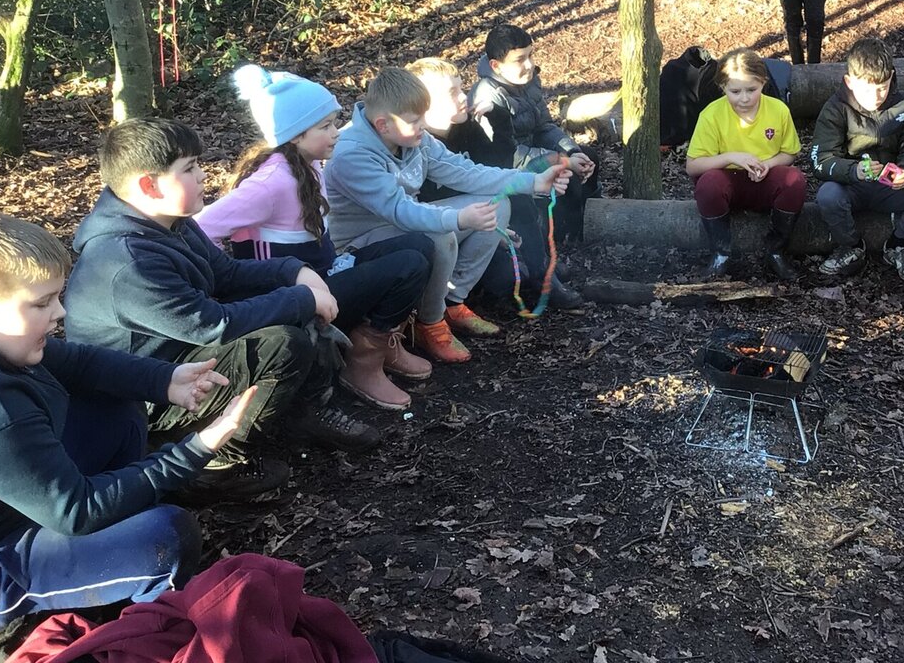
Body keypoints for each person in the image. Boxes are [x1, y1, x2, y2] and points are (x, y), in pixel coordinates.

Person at [0, 207, 254, 637]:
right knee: (165, 538)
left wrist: (165, 380)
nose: (60, 313)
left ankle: (112, 547)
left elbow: (80, 362)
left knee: (117, 409)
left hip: (12, 503)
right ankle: (136, 631)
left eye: (58, 296)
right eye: (42, 303)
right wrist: (194, 451)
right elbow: (76, 511)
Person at [65, 118, 379, 504]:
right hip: (144, 397)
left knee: (284, 306)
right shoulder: (126, 261)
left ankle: (303, 412)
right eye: (189, 168)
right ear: (149, 185)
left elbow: (225, 273)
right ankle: (208, 463)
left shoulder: (170, 222)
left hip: (178, 354)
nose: (203, 175)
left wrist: (295, 270)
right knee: (280, 344)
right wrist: (303, 299)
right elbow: (212, 326)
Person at [195, 65, 434, 411]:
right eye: (325, 126)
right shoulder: (272, 181)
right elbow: (202, 227)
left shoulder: (310, 163)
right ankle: (361, 365)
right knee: (408, 265)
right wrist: (229, 281)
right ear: (293, 135)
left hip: (325, 273)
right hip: (294, 296)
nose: (337, 132)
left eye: (335, 122)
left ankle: (377, 344)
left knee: (418, 244)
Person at [323, 67, 572, 364]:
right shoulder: (353, 154)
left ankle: (453, 301)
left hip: (401, 229)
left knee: (495, 205)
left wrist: (532, 182)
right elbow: (400, 211)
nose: (423, 126)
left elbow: (466, 173)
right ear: (382, 125)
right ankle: (430, 323)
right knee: (440, 234)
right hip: (359, 245)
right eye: (415, 121)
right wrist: (458, 219)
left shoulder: (414, 139)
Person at [406, 57, 584, 311]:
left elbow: (492, 168)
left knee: (515, 208)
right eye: (452, 92)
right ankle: (440, 308)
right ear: (422, 103)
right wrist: (480, 224)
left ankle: (539, 271)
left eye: (461, 88)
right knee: (505, 278)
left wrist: (498, 120)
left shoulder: (462, 127)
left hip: (471, 224)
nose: (463, 97)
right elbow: (412, 210)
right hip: (436, 233)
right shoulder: (412, 143)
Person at [807, 37, 904, 282]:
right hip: (852, 186)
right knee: (827, 194)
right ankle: (851, 247)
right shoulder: (835, 108)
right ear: (850, 82)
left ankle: (898, 247)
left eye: (882, 87)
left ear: (891, 77)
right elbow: (821, 159)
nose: (876, 96)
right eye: (867, 89)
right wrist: (853, 170)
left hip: (892, 187)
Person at [471, 24, 600, 246]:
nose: (529, 65)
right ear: (496, 66)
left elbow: (544, 126)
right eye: (519, 59)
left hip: (534, 152)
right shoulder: (488, 97)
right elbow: (507, 156)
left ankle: (588, 224)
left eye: (530, 55)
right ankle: (555, 241)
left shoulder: (528, 81)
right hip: (507, 169)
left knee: (589, 157)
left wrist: (571, 150)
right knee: (564, 175)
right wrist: (562, 160)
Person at [686, 48, 806, 280]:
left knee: (794, 180)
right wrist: (731, 157)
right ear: (722, 88)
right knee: (709, 183)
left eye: (752, 90)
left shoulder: (778, 109)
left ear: (763, 82)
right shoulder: (712, 115)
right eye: (735, 91)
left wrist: (768, 165)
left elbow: (789, 153)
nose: (744, 98)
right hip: (727, 184)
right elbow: (693, 166)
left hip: (763, 181)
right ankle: (721, 253)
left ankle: (775, 250)